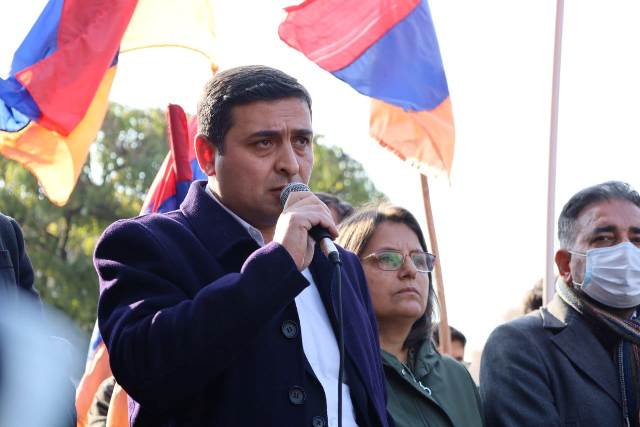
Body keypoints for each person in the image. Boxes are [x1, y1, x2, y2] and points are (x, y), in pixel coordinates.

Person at [94, 65, 391, 426]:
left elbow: (371, 403)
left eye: (301, 141)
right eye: (264, 143)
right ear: (207, 155)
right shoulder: (144, 243)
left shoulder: (338, 261)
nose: (291, 164)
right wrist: (277, 265)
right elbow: (146, 369)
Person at [480, 181, 640, 426]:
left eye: (637, 239)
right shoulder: (519, 344)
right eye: (604, 238)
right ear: (566, 264)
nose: (626, 251)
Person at [337, 205, 484, 427]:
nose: (411, 271)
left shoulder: (456, 375)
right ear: (347, 270)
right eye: (388, 258)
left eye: (419, 260)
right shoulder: (334, 372)